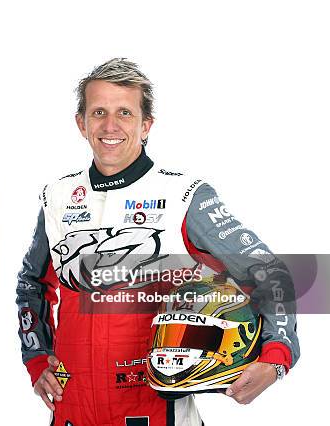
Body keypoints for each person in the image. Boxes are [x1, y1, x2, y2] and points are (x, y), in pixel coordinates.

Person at [16, 58, 299, 426]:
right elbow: (31, 283)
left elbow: (268, 270)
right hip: (72, 408)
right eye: (98, 112)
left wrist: (276, 357)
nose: (110, 125)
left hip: (154, 408)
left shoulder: (183, 195)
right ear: (81, 123)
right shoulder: (57, 195)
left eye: (125, 113)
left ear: (146, 125)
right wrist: (37, 358)